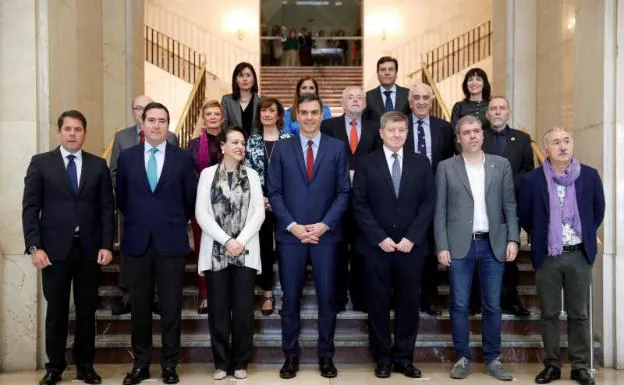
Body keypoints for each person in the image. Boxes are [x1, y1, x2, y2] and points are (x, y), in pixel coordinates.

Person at [22, 110, 115, 385]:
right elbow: (30, 208)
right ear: (59, 132)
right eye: (68, 129)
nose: (73, 134)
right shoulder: (41, 164)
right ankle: (55, 367)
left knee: (87, 310)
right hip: (53, 252)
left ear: (85, 133)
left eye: (78, 129)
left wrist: (107, 245)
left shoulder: (98, 165)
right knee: (57, 310)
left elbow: (106, 210)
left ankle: (86, 365)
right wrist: (34, 247)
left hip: (88, 250)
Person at [267, 93, 350, 379]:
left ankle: (326, 356)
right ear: (295, 116)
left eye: (315, 112)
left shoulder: (337, 148)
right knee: (290, 299)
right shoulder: (281, 148)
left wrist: (324, 225)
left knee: (328, 299)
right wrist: (293, 226)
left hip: (326, 237)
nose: (310, 117)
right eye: (304, 112)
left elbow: (343, 192)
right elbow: (274, 192)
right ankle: (290, 356)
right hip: (292, 237)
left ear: (322, 115)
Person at [116, 102, 198, 385]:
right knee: (139, 307)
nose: (156, 125)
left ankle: (169, 365)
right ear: (142, 121)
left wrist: (169, 220)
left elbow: (190, 200)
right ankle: (140, 365)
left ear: (168, 124)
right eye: (151, 119)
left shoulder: (183, 159)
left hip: (170, 243)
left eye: (162, 120)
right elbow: (122, 199)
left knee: (171, 306)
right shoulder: (127, 158)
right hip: (137, 242)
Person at [434, 115, 519, 381]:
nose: (472, 136)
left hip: (493, 243)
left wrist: (513, 239)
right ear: (458, 138)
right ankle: (462, 357)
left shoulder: (500, 165)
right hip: (460, 245)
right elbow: (441, 210)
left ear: (482, 135)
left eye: (476, 131)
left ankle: (493, 359)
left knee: (492, 305)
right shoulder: (446, 167)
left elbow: (509, 205)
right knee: (459, 305)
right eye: (466, 132)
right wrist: (442, 245)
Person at [519, 128, 604, 385]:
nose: (563, 146)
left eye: (567, 140)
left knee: (580, 314)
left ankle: (579, 366)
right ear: (546, 149)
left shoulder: (589, 176)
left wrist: (583, 233)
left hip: (579, 254)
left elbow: (597, 211)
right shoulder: (532, 180)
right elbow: (525, 216)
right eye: (556, 142)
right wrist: (546, 237)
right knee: (550, 314)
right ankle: (552, 365)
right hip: (548, 255)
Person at [352, 111, 434, 379]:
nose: (397, 135)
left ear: (407, 133)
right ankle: (383, 358)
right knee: (377, 305)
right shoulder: (365, 163)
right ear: (381, 133)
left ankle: (404, 357)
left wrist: (412, 237)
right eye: (392, 130)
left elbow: (428, 204)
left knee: (409, 304)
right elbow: (360, 205)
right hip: (377, 248)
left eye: (401, 130)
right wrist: (380, 238)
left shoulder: (422, 163)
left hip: (411, 248)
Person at [195, 126, 265, 381]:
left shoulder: (253, 176)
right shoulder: (207, 175)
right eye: (234, 142)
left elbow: (259, 212)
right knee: (219, 311)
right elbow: (201, 213)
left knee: (244, 310)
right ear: (222, 146)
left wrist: (240, 241)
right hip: (216, 252)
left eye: (243, 143)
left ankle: (240, 362)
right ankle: (221, 363)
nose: (240, 147)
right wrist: (226, 240)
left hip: (245, 252)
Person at [109, 95, 178, 316]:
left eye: (145, 107)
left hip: (163, 216)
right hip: (132, 212)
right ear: (134, 112)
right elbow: (115, 173)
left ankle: (156, 297)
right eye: (138, 108)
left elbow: (175, 176)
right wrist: (130, 206)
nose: (141, 112)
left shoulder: (172, 138)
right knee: (131, 259)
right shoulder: (122, 137)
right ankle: (129, 297)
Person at [321, 86, 381, 312]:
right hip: (335, 200)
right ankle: (337, 299)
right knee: (336, 252)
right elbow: (324, 159)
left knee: (362, 252)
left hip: (366, 202)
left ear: (365, 104)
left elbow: (378, 161)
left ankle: (360, 298)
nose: (355, 101)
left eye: (359, 98)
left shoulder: (376, 129)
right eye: (350, 98)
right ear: (343, 103)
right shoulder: (328, 126)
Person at [405, 83, 456, 316]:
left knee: (431, 248)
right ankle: (406, 297)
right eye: (416, 97)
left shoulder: (444, 128)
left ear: (432, 100)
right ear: (409, 101)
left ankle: (430, 298)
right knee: (409, 247)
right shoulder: (399, 126)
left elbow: (451, 161)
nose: (421, 101)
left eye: (426, 97)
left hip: (437, 196)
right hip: (405, 196)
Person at [483, 96, 534, 317]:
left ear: (508, 113)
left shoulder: (522, 139)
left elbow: (528, 171)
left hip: (510, 205)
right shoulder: (478, 137)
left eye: (501, 108)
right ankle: (482, 299)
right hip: (481, 204)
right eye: (493, 108)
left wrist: (508, 183)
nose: (497, 112)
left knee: (509, 254)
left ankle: (510, 298)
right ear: (487, 114)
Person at [245, 97, 292, 316]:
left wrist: (277, 200)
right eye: (263, 110)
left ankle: (287, 295)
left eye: (272, 110)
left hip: (285, 204)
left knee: (286, 249)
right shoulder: (252, 141)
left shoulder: (289, 139)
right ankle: (267, 293)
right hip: (259, 204)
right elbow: (247, 172)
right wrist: (260, 198)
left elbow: (295, 175)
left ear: (279, 115)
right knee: (263, 248)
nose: (267, 114)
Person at [187, 100, 224, 314]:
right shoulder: (192, 145)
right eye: (208, 113)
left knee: (224, 249)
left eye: (216, 114)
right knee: (203, 249)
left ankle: (222, 293)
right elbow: (189, 174)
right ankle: (205, 294)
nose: (212, 117)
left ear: (222, 117)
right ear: (203, 117)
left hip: (227, 205)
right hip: (200, 204)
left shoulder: (231, 140)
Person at [362, 56, 411, 124]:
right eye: (383, 70)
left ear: (396, 73)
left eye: (391, 69)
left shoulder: (408, 94)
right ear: (377, 74)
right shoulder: (368, 96)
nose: (387, 73)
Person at [221, 62, 261, 137]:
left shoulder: (261, 101)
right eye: (241, 76)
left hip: (257, 146)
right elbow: (224, 127)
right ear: (236, 79)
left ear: (254, 79)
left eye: (248, 75)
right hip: (234, 146)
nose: (245, 79)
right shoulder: (226, 100)